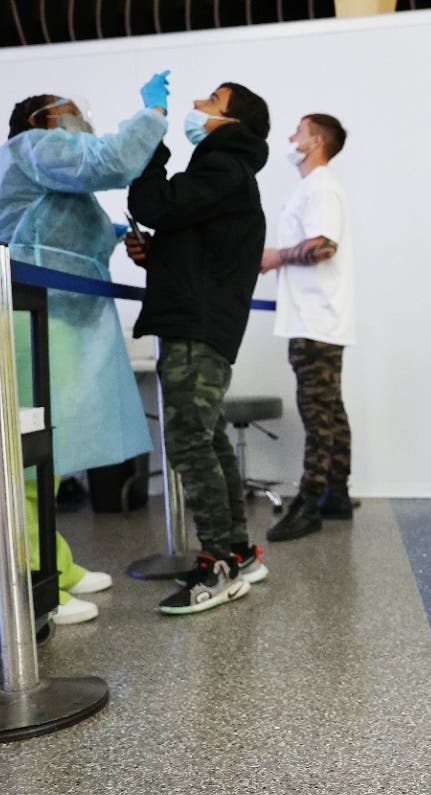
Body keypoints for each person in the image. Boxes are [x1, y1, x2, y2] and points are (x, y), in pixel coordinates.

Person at [0, 73, 171, 624]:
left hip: (58, 315)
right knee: (28, 454)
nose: (80, 122)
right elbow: (109, 160)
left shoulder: (46, 167)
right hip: (28, 314)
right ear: (41, 120)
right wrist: (153, 115)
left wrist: (124, 235)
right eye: (70, 114)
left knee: (53, 450)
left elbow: (77, 231)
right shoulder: (31, 147)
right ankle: (31, 581)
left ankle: (58, 565)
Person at [126, 82, 270, 615]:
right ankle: (238, 552)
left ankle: (218, 566)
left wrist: (151, 138)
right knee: (207, 440)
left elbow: (155, 203)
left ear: (231, 122)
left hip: (197, 329)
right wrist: (155, 258)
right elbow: (201, 250)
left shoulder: (222, 169)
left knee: (188, 443)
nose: (196, 108)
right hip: (203, 323)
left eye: (210, 102)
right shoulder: (229, 175)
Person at [260, 113, 355, 543]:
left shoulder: (320, 188)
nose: (289, 138)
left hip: (315, 321)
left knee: (317, 415)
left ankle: (309, 504)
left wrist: (276, 256)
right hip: (318, 319)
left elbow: (323, 246)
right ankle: (334, 494)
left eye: (297, 131)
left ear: (315, 141)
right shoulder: (314, 188)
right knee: (330, 410)